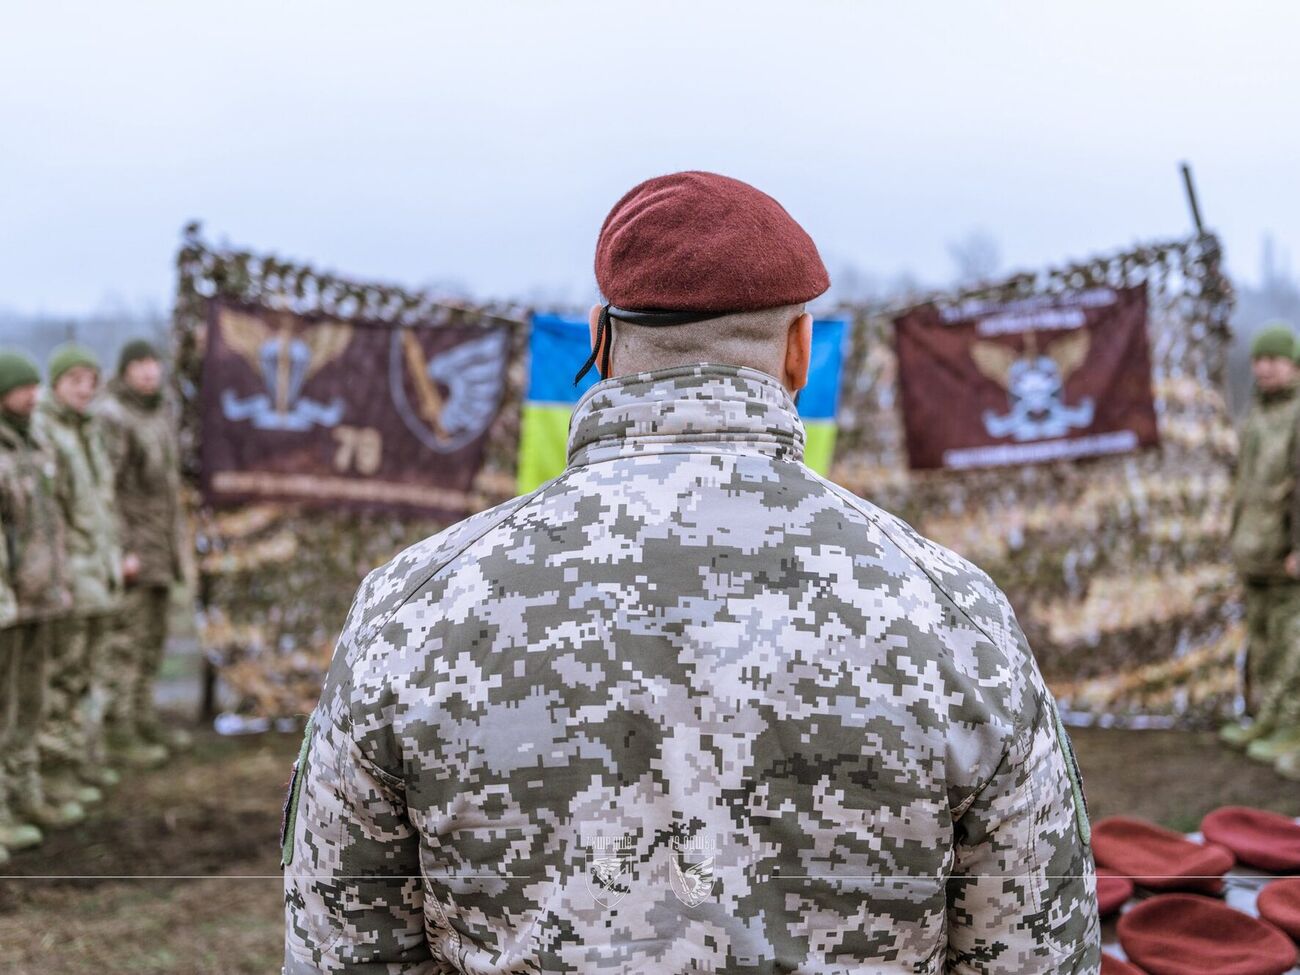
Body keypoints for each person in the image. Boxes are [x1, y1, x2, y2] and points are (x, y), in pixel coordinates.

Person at [283, 171, 1100, 974]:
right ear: (799, 351)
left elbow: (341, 947)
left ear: (599, 339)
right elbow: (1037, 948)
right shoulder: (955, 613)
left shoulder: (410, 608)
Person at [35, 343, 124, 802]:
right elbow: (53, 516)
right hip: (71, 575)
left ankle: (80, 760)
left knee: (89, 670)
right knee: (63, 674)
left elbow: (101, 506)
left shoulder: (89, 431)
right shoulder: (47, 431)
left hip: (98, 571)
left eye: (90, 381)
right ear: (56, 384)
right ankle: (53, 773)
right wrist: (61, 576)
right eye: (75, 381)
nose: (85, 390)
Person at [0, 350, 84, 838]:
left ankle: (24, 794)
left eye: (36, 387)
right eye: (24, 387)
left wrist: (59, 582)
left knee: (30, 701)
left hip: (38, 598)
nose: (35, 395)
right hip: (8, 604)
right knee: (4, 705)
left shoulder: (34, 444)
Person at [94, 339, 187, 767]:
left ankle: (143, 718)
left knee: (152, 640)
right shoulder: (113, 417)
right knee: (125, 644)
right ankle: (119, 732)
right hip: (134, 549)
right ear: (126, 369)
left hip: (160, 547)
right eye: (141, 364)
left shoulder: (159, 411)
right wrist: (121, 550)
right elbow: (106, 490)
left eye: (154, 363)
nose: (150, 371)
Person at [1219, 324, 1300, 766]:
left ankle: (1293, 725)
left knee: (1294, 643)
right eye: (1259, 358)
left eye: (1275, 358)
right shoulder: (1257, 415)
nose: (1264, 367)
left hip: (1287, 556)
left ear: (1294, 364)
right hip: (1256, 551)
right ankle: (1269, 718)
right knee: (1266, 642)